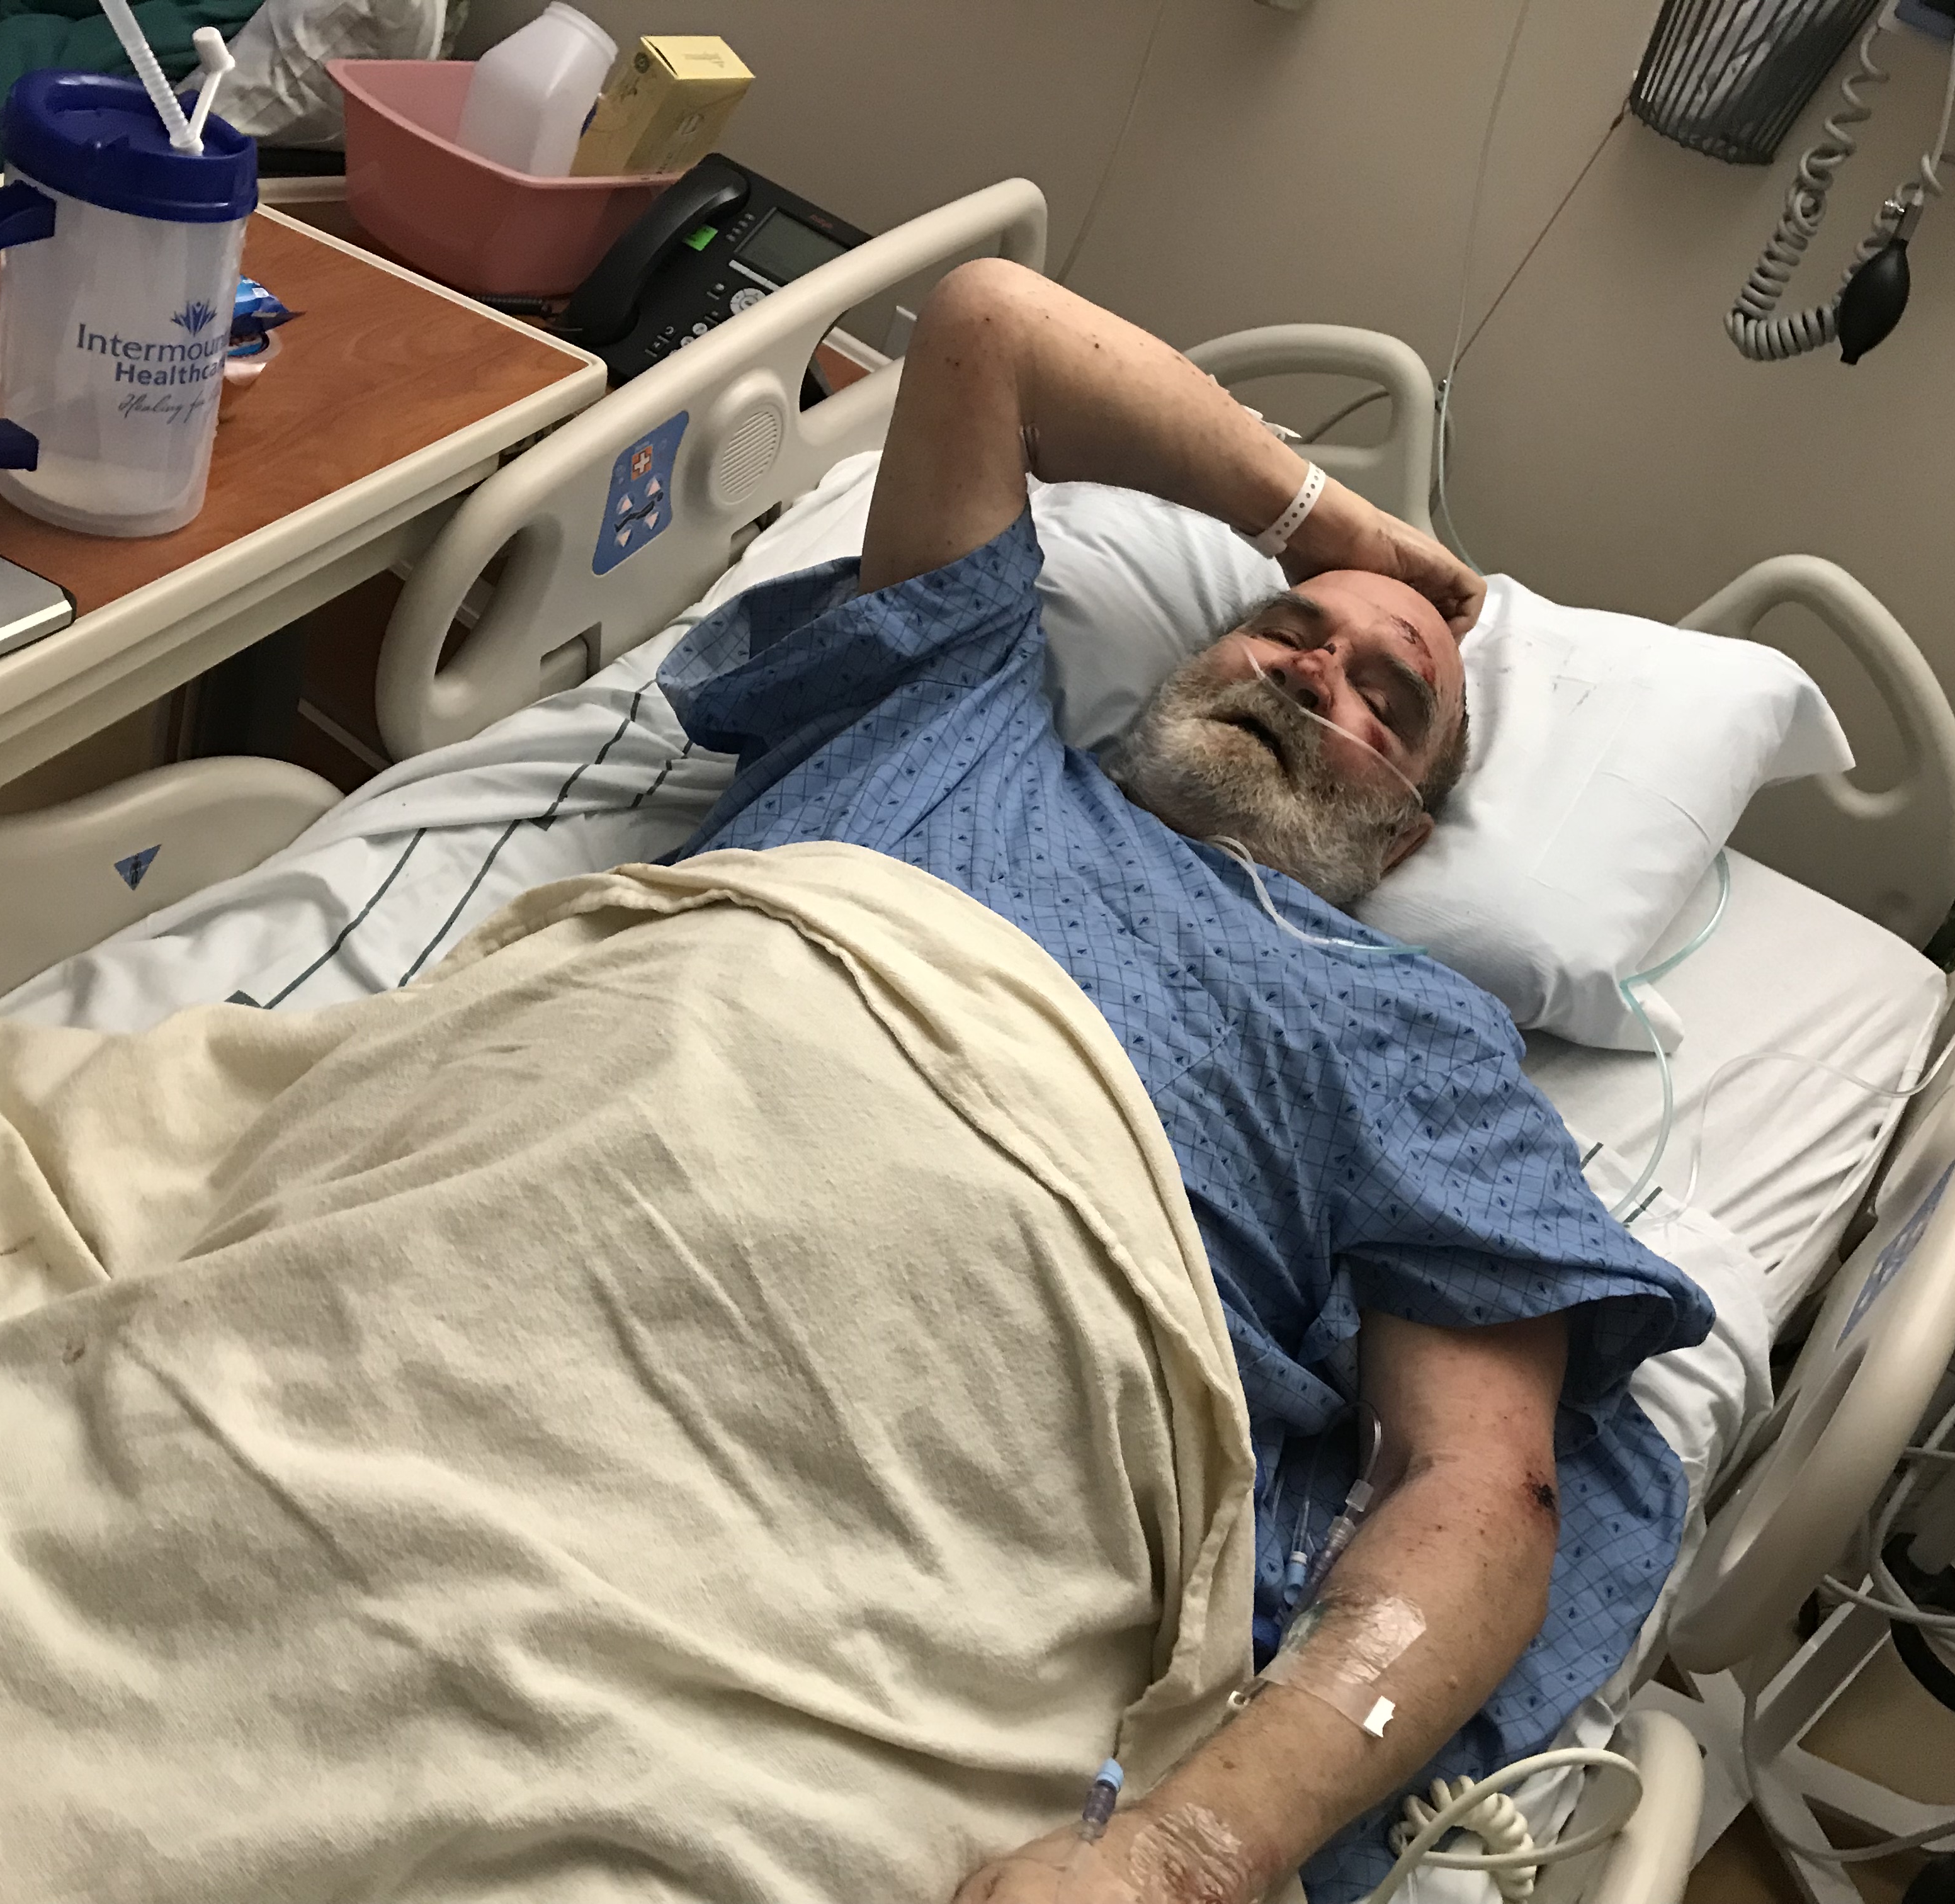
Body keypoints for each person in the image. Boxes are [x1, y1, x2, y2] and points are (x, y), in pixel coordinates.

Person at [654, 258, 1714, 1904]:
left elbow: (1479, 1489)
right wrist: (1332, 531)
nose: (1314, 671)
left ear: (1405, 839)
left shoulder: (1409, 1031)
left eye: (1385, 699)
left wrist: (1183, 1856)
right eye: (1289, 634)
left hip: (902, 1486)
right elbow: (991, 326)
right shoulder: (957, 703)